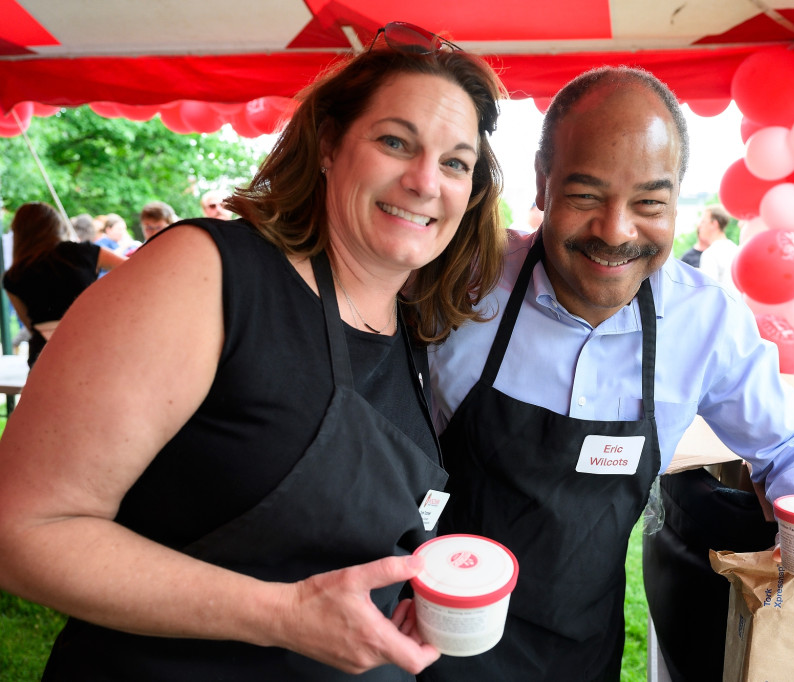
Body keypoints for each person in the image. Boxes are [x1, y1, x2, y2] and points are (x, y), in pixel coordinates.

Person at [0, 22, 506, 680]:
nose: (423, 180)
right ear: (328, 145)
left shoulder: (410, 328)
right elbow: (23, 532)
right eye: (393, 141)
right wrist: (284, 613)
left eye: (455, 163)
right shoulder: (206, 274)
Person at [425, 66, 794, 681]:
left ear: (679, 199)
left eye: (650, 203)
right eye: (585, 196)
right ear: (542, 184)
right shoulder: (459, 284)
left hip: (579, 646)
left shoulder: (703, 321)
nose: (616, 231)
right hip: (431, 631)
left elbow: (791, 442)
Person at [2, 202, 125, 368]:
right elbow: (134, 268)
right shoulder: (84, 252)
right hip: (91, 345)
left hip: (44, 353)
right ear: (56, 226)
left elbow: (30, 325)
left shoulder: (13, 275)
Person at [695, 204, 740, 297]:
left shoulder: (710, 254)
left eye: (703, 222)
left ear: (714, 224)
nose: (699, 226)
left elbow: (708, 292)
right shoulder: (736, 249)